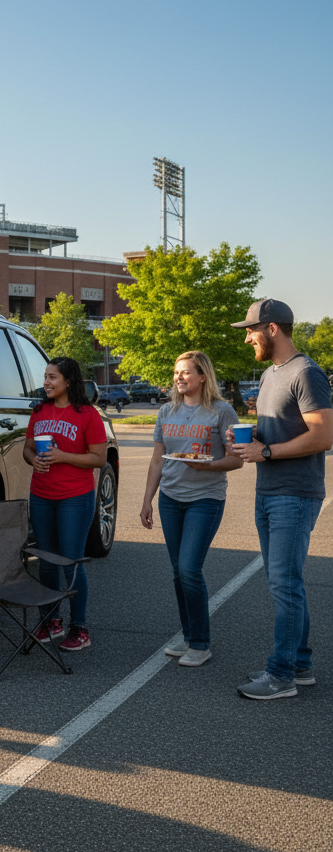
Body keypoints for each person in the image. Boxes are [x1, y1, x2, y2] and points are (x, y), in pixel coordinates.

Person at [228, 299, 333, 700]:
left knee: (285, 585)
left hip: (295, 494)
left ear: (272, 328)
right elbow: (282, 430)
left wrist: (267, 452)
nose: (247, 339)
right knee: (284, 583)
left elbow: (323, 436)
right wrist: (253, 438)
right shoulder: (272, 374)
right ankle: (299, 664)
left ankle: (281, 675)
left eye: (251, 331)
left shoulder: (306, 372)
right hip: (269, 491)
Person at [139, 352, 242, 666]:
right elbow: (157, 460)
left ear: (202, 376)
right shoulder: (166, 411)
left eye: (185, 372)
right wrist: (147, 499)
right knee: (178, 572)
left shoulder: (221, 411)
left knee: (188, 569)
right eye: (176, 373)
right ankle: (188, 637)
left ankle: (200, 644)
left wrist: (208, 466)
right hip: (170, 498)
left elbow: (236, 460)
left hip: (205, 499)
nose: (179, 378)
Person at [23, 356, 107, 651]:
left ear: (68, 381)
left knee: (70, 561)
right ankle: (51, 622)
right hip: (41, 495)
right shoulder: (39, 411)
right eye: (45, 377)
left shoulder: (87, 415)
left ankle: (79, 628)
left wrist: (62, 457)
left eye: (52, 377)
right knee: (46, 562)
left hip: (75, 498)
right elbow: (27, 449)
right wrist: (34, 460)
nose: (46, 382)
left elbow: (99, 459)